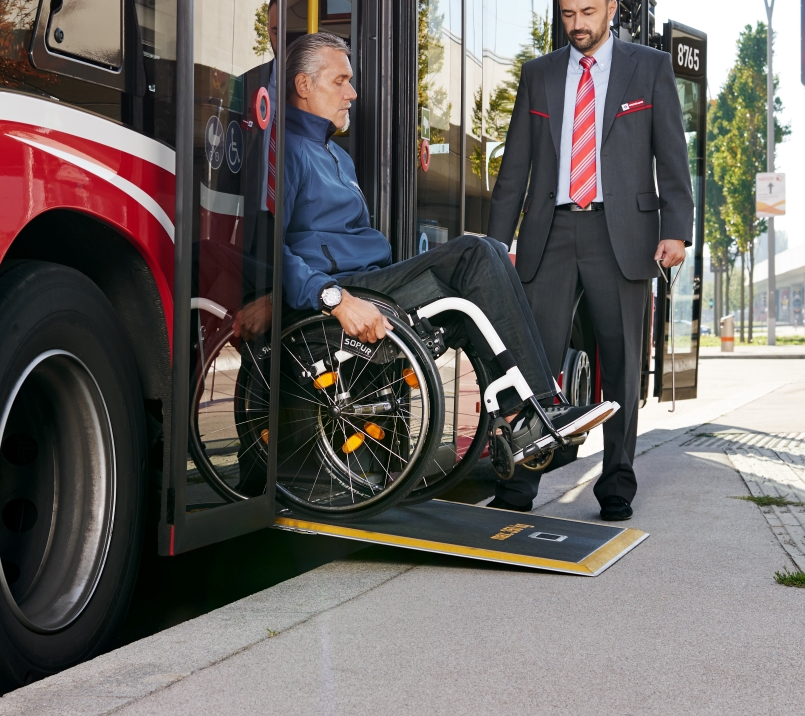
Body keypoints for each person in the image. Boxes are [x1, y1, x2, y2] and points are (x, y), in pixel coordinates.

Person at [238, 31, 616, 470]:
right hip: (342, 291)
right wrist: (332, 298)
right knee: (476, 252)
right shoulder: (285, 152)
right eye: (340, 81)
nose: (352, 92)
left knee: (486, 260)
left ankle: (525, 414)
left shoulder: (337, 158)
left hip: (373, 281)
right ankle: (529, 413)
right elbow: (268, 246)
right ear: (304, 86)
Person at [487, 0, 694, 519]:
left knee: (622, 362)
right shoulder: (540, 74)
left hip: (621, 233)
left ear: (611, 11)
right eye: (567, 14)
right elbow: (515, 169)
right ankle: (517, 486)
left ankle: (617, 485)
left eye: (586, 12)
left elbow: (671, 154)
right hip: (549, 232)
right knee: (530, 362)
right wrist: (494, 244)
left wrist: (676, 228)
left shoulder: (648, 69)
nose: (576, 24)